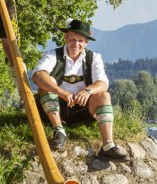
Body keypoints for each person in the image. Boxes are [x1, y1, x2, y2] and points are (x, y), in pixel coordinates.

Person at [30, 19, 128, 161]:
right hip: (56, 108)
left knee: (104, 95)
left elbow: (103, 83)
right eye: (73, 39)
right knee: (48, 83)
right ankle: (59, 131)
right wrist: (61, 92)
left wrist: (88, 91)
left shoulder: (94, 57)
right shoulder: (52, 55)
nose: (76, 44)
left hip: (83, 109)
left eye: (80, 40)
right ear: (66, 37)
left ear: (86, 42)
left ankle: (108, 146)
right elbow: (37, 75)